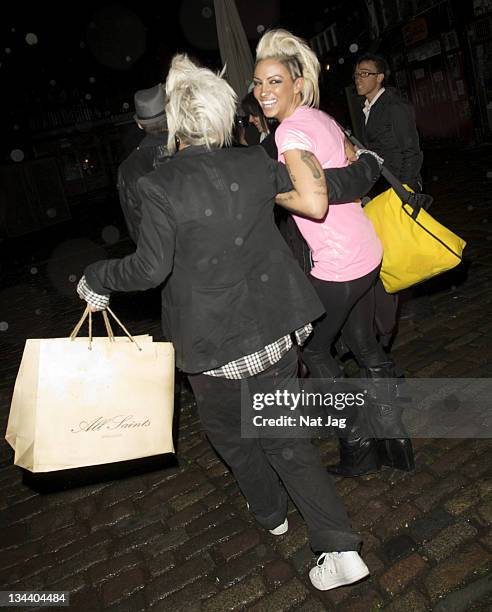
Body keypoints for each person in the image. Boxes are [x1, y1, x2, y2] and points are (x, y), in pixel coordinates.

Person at [77, 53, 370, 591]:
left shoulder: (159, 185)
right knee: (287, 440)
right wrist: (361, 162)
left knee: (233, 438)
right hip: (274, 331)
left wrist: (98, 274)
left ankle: (270, 513)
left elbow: (149, 268)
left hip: (212, 345)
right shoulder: (254, 162)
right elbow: (311, 182)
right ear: (218, 116)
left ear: (174, 125)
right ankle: (341, 547)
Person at [254, 29, 414, 476]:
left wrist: (268, 189)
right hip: (366, 252)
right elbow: (358, 157)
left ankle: (358, 446)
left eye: (275, 82)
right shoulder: (322, 118)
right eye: (258, 82)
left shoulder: (290, 134)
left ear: (297, 84)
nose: (264, 91)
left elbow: (315, 202)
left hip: (340, 264)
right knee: (365, 347)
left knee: (315, 351)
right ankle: (396, 439)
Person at [353, 53, 430, 326]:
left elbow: (412, 150)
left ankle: (404, 301)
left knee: (401, 245)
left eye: (365, 73)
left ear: (380, 77)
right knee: (391, 246)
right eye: (357, 74)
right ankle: (398, 300)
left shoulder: (394, 106)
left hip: (397, 187)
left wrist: (407, 188)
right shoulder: (368, 107)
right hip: (382, 187)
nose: (359, 78)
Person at [118, 84, 170, 244]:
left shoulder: (127, 169)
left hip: (167, 258)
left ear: (139, 124)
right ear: (170, 113)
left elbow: (137, 229)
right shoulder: (195, 147)